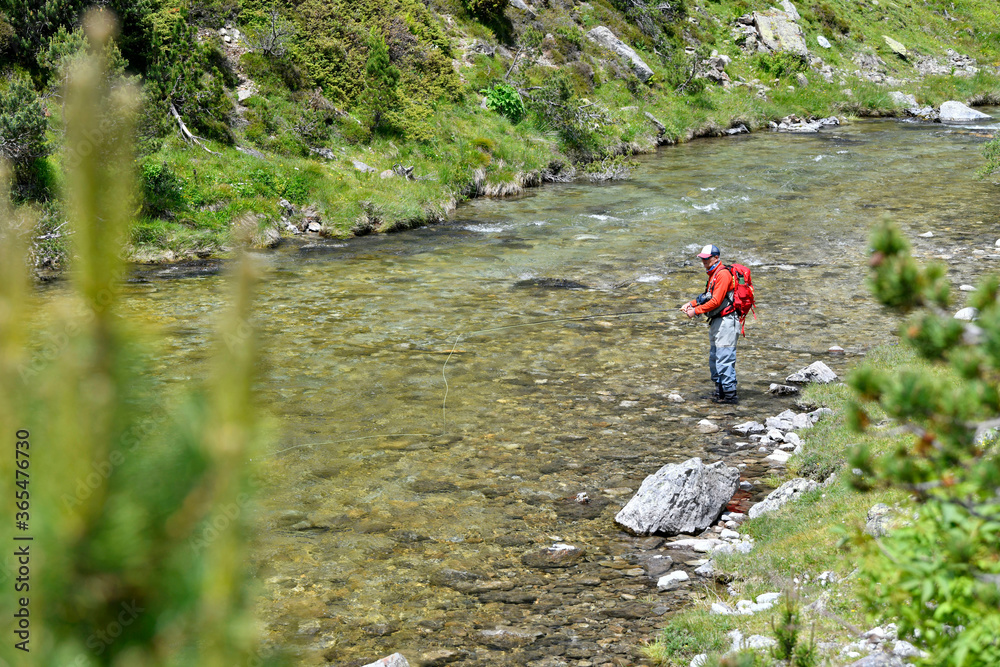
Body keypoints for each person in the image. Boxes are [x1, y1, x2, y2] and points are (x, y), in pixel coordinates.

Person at [680, 244, 739, 404]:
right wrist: (691, 303)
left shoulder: (723, 275)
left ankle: (730, 398)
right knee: (714, 358)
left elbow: (716, 301)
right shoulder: (713, 275)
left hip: (727, 322)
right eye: (702, 259)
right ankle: (719, 393)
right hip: (717, 321)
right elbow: (706, 296)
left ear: (716, 258)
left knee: (724, 359)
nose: (704, 262)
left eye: (706, 259)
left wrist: (696, 311)